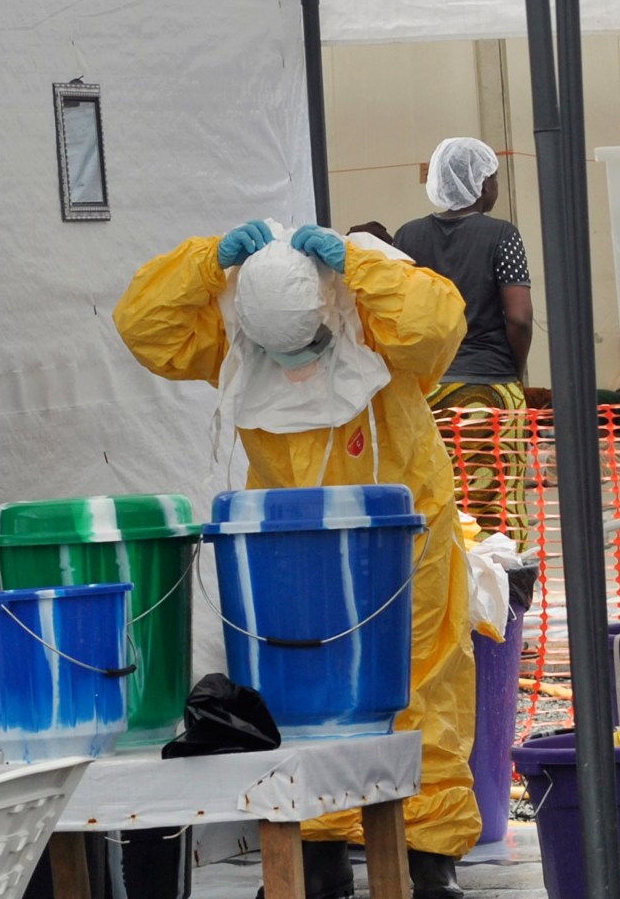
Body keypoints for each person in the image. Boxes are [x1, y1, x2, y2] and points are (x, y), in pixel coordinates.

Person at [113, 219, 479, 899]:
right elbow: (145, 325)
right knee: (295, 687)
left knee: (421, 674)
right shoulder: (233, 320)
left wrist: (362, 266)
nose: (300, 363)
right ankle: (313, 849)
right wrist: (205, 260)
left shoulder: (368, 304)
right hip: (290, 539)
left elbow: (438, 326)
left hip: (401, 530)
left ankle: (428, 853)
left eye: (310, 344)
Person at [395, 137, 534, 550]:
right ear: (482, 184)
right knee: (496, 508)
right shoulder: (502, 235)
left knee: (438, 502)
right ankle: (504, 605)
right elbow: (520, 317)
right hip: (488, 388)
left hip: (426, 394)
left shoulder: (407, 237)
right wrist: (515, 370)